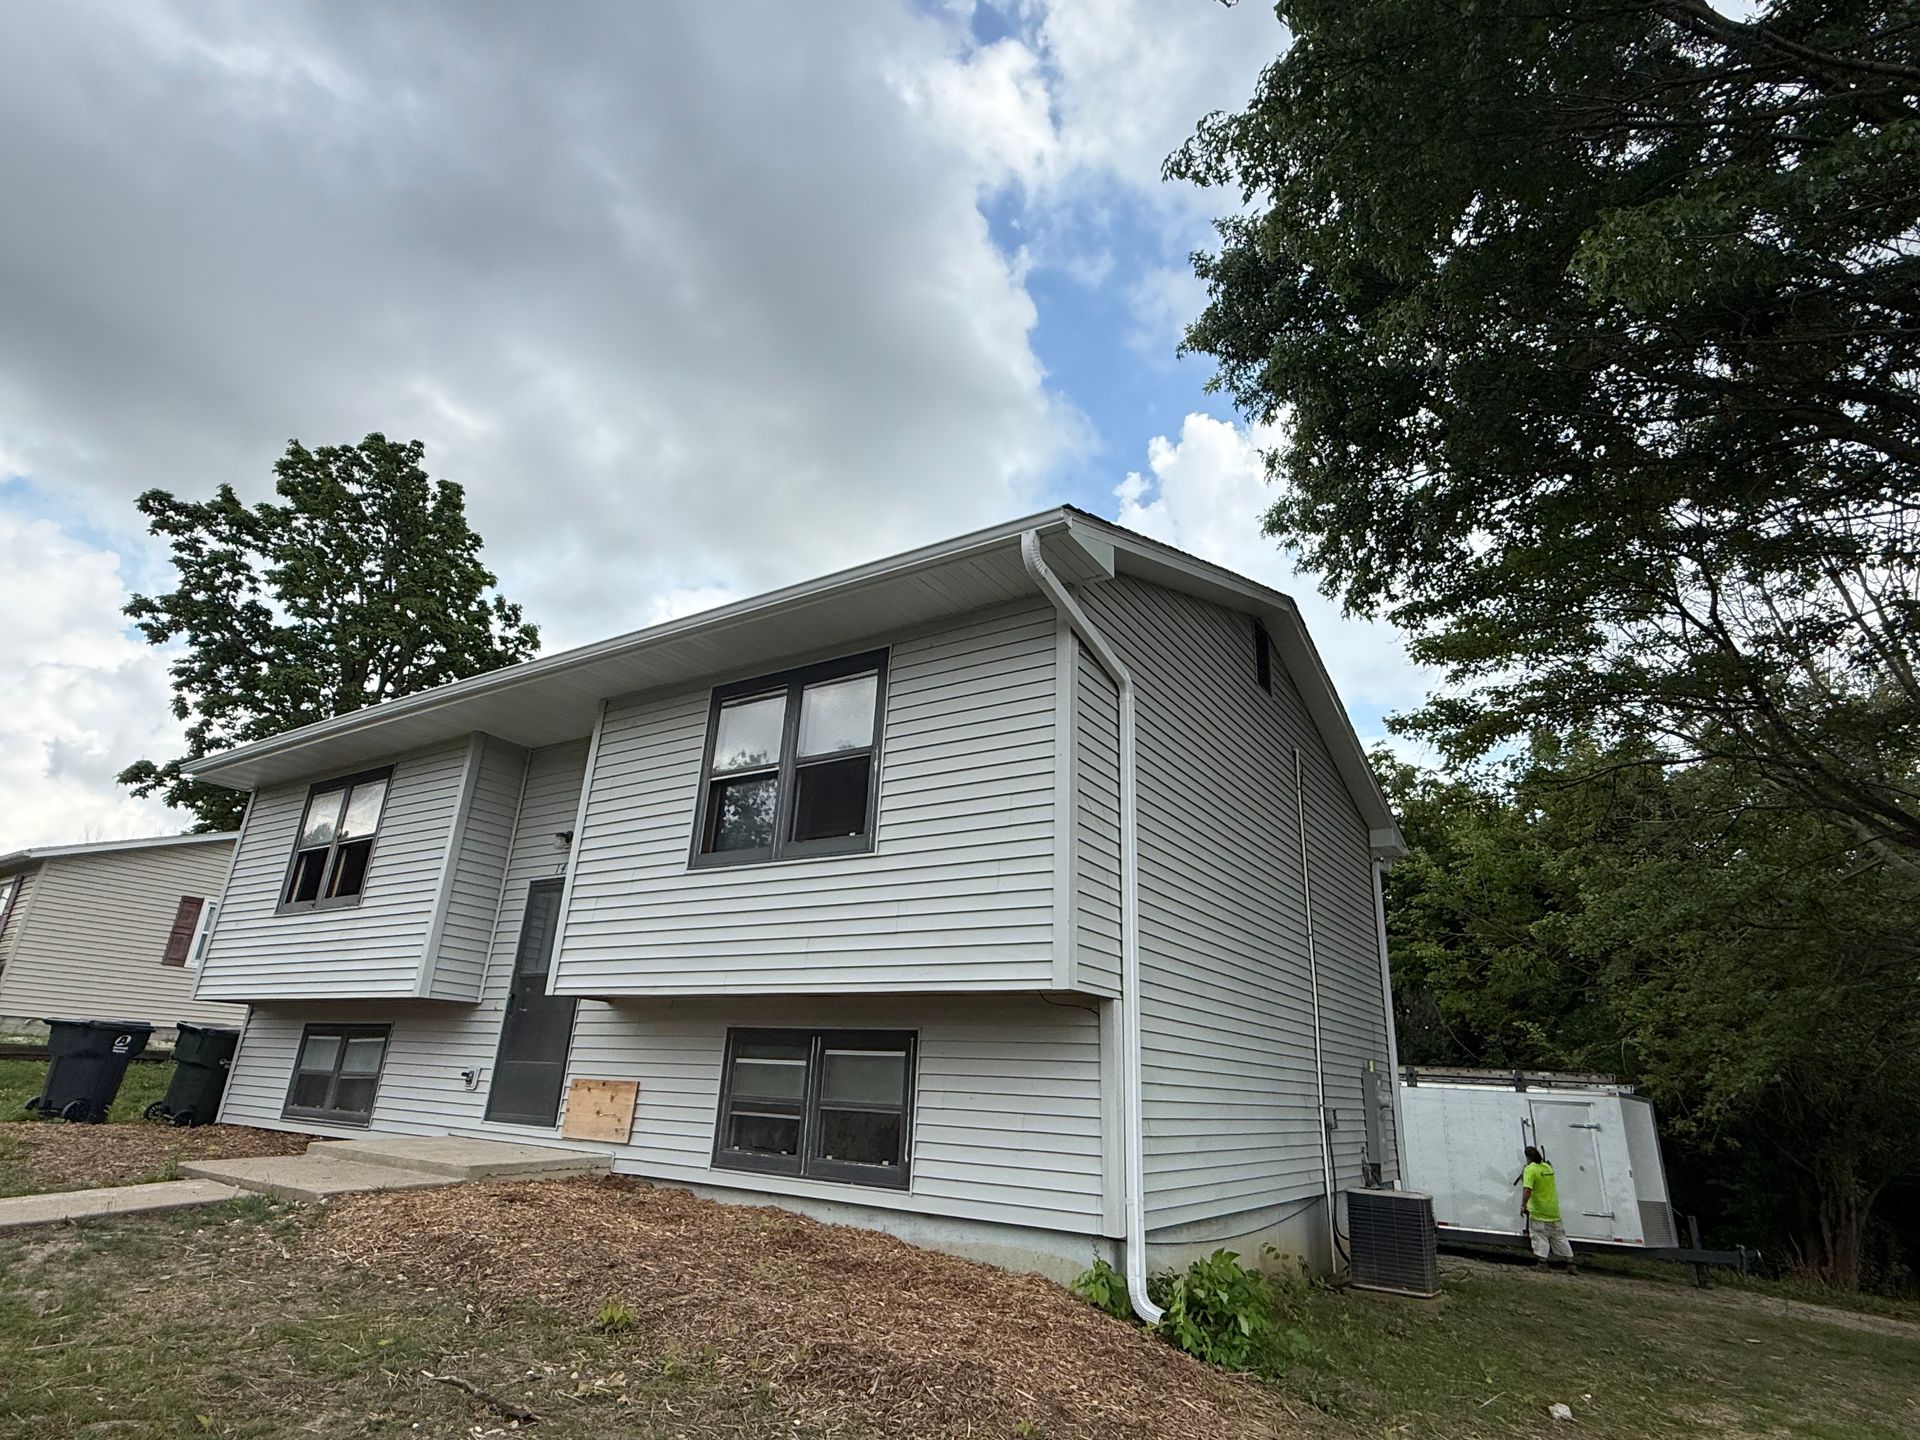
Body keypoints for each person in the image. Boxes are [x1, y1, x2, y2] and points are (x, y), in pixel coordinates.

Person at [1521, 1145, 1577, 1273]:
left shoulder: (1530, 1170)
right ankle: (1571, 1264)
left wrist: (1523, 1205)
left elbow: (1527, 1189)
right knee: (1560, 1238)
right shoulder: (1547, 1167)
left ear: (1528, 1157)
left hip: (1538, 1211)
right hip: (1553, 1210)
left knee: (1540, 1237)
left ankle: (1542, 1264)